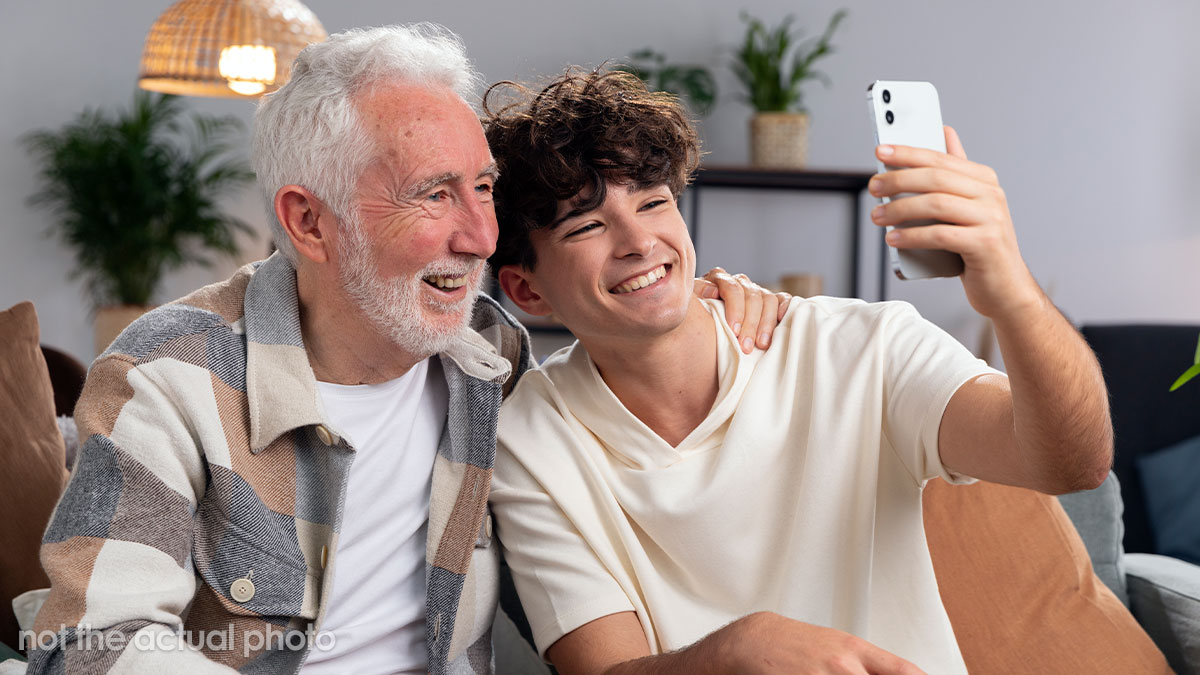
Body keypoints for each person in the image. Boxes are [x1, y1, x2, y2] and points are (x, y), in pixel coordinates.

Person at [16, 26, 783, 675]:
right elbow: (94, 639)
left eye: (482, 187)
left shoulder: (492, 358)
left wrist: (701, 307)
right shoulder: (170, 372)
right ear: (309, 223)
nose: (480, 236)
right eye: (434, 194)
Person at [485, 69, 1114, 675]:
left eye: (653, 203)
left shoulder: (861, 347)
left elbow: (1070, 464)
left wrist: (1012, 293)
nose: (639, 242)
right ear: (526, 290)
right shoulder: (529, 438)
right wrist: (733, 652)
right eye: (587, 225)